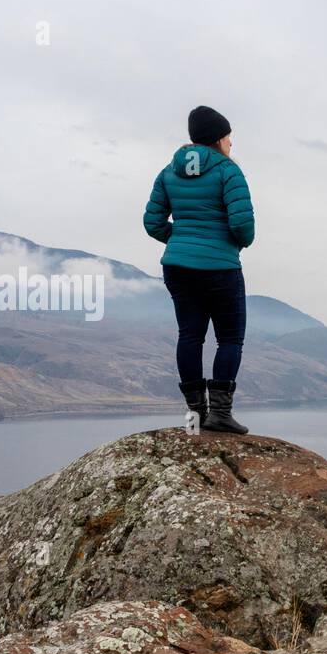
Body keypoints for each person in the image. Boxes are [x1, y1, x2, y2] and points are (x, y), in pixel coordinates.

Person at [142, 105, 254, 434]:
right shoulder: (227, 172)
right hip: (220, 268)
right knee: (230, 338)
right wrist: (233, 244)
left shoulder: (168, 173)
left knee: (190, 336)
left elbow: (152, 223)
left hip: (178, 267)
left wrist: (180, 241)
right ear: (218, 139)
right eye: (228, 138)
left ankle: (195, 415)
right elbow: (243, 225)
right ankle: (220, 414)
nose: (231, 144)